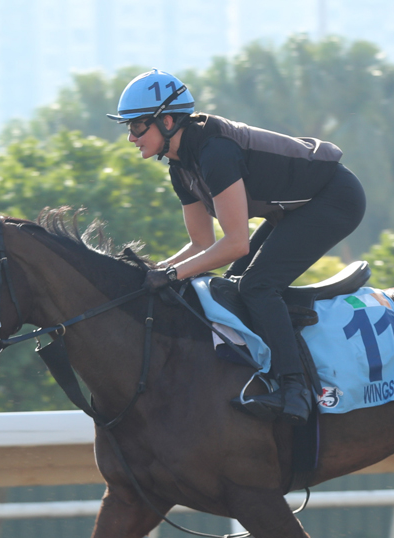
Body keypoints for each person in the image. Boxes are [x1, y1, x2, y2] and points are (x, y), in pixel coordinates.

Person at [109, 69, 366, 425]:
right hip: (296, 208)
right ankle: (266, 371)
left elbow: (235, 244)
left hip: (334, 198)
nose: (130, 137)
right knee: (232, 287)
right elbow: (201, 244)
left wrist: (169, 274)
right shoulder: (179, 166)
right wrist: (150, 272)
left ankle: (296, 389)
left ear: (167, 121)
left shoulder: (215, 152)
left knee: (257, 286)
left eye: (136, 126)